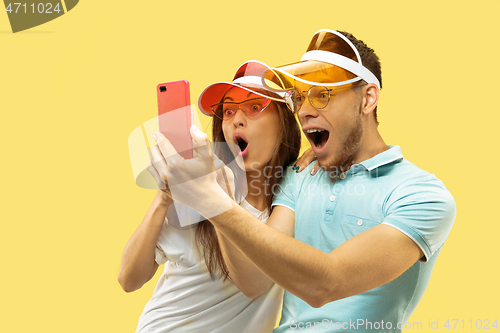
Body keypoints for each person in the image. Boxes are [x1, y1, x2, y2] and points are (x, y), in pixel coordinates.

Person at [151, 29, 456, 332]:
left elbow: (325, 283)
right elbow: (254, 278)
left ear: (368, 99)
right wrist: (220, 193)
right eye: (299, 98)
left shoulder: (422, 195)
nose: (305, 111)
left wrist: (211, 200)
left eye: (322, 95)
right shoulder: (299, 177)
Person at [118, 60, 301, 332]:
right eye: (228, 111)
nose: (237, 119)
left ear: (284, 123)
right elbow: (129, 279)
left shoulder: (293, 200)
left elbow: (253, 282)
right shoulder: (197, 190)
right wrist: (164, 197)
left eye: (254, 107)